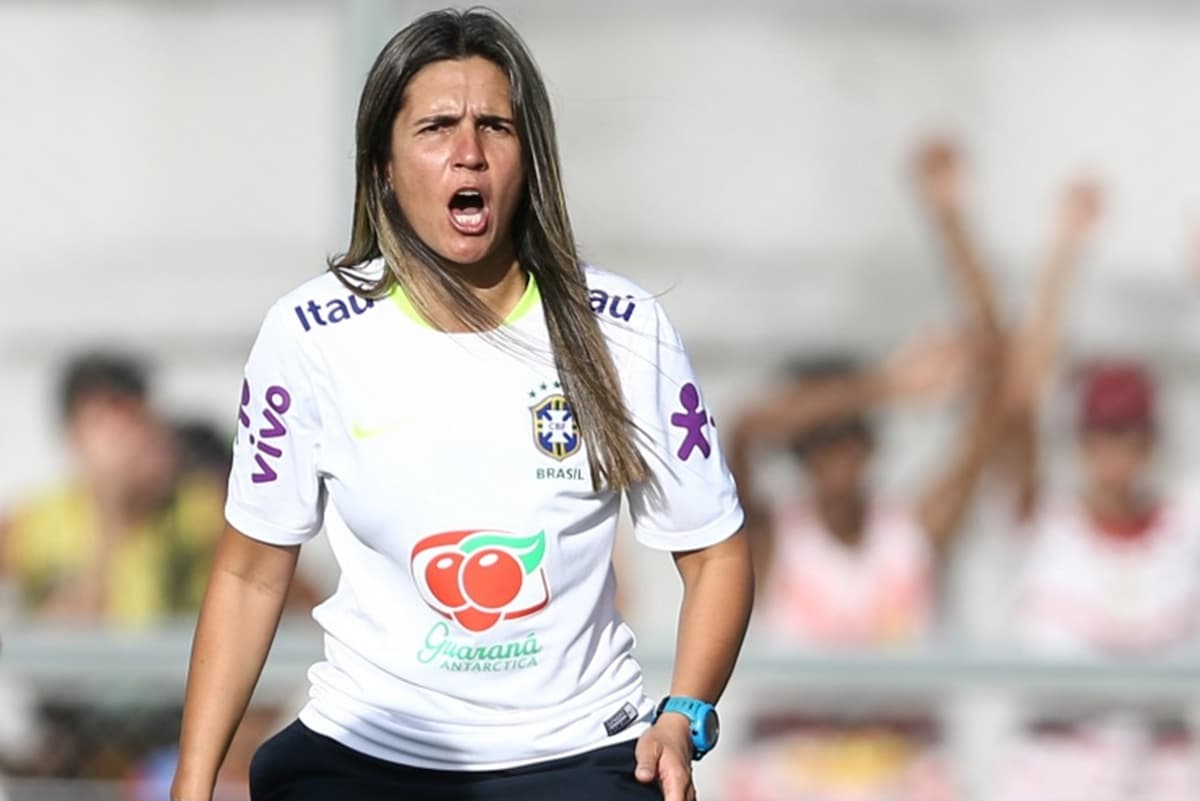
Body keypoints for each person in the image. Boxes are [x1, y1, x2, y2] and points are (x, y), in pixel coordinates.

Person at [170, 9, 753, 801]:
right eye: (437, 127)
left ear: (530, 155)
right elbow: (247, 574)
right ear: (382, 163)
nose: (468, 152)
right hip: (362, 756)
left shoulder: (623, 327)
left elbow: (715, 552)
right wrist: (192, 784)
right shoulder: (308, 335)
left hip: (580, 755)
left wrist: (683, 714)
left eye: (495, 126)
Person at [728, 140, 1006, 649]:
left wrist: (950, 220)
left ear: (871, 445)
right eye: (818, 442)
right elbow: (746, 427)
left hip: (902, 732)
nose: (837, 458)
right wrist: (886, 387)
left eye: (850, 437)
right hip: (799, 732)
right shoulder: (773, 540)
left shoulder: (912, 533)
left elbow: (995, 385)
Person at [988, 180, 1200, 801]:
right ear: (1081, 440)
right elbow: (1019, 400)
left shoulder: (1183, 522)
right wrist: (1064, 255)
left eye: (1132, 433)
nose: (1118, 452)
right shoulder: (1042, 524)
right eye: (1105, 433)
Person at [0, 352, 224, 627]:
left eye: (135, 422)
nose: (129, 440)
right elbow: (71, 635)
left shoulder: (201, 509)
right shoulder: (33, 523)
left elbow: (273, 594)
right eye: (109, 427)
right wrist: (111, 514)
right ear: (74, 436)